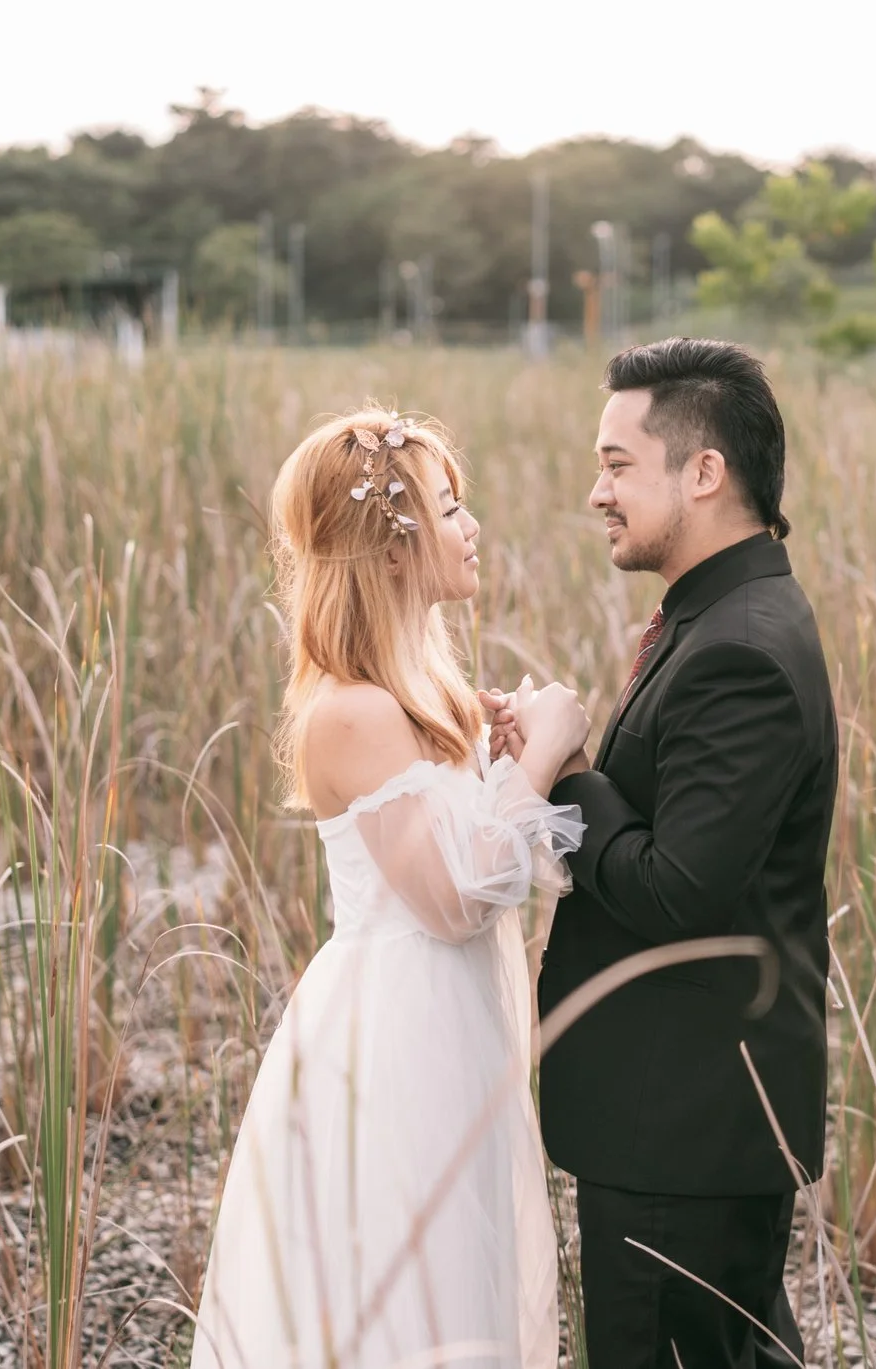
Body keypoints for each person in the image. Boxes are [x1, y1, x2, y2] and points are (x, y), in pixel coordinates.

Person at [191, 407, 592, 1369]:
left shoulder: (424, 699)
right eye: (450, 508)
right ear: (393, 546)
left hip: (452, 1022)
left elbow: (474, 859)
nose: (472, 527)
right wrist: (538, 757)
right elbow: (450, 902)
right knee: (410, 1295)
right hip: (394, 1037)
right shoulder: (353, 711)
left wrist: (502, 756)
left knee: (463, 1288)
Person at [487, 339, 836, 1369]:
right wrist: (576, 761)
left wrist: (562, 770)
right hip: (692, 1115)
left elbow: (679, 889)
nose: (596, 491)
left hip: (681, 1121)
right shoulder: (723, 612)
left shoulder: (738, 647)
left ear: (703, 472)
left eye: (616, 463)